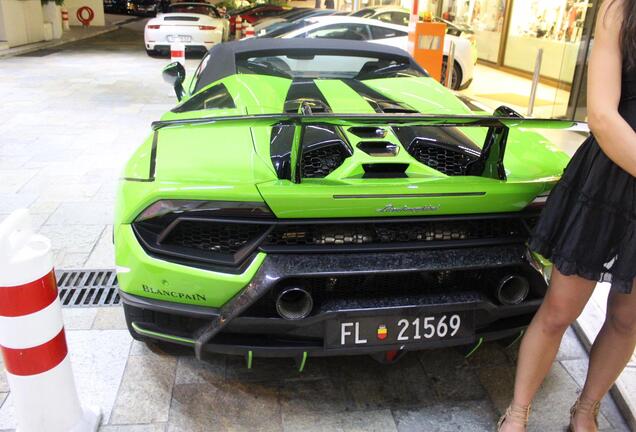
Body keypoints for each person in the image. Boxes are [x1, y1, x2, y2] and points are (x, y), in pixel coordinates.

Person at [498, 0, 636, 431]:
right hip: (609, 179)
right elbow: (601, 114)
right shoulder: (621, 9)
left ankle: (586, 409)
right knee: (560, 309)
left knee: (628, 317)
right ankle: (518, 411)